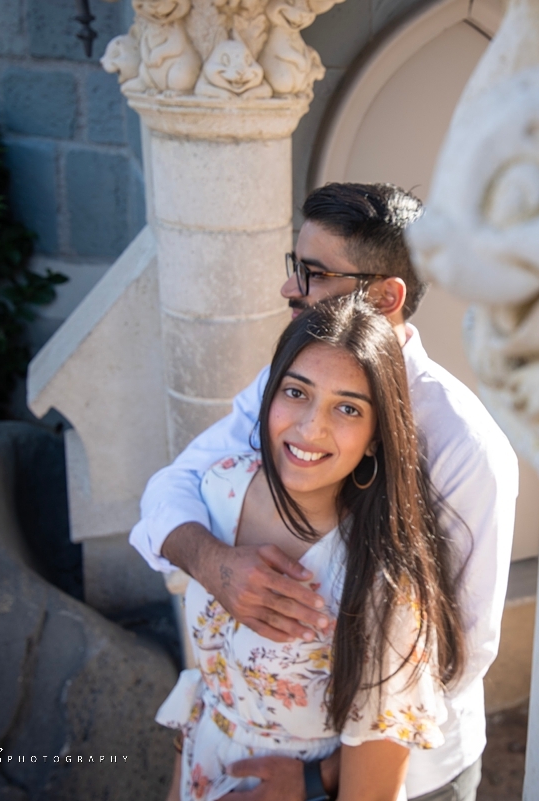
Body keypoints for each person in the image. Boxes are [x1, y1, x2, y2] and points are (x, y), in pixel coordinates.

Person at [132, 182, 518, 801]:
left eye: (313, 273)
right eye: (297, 267)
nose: (291, 288)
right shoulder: (288, 376)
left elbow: (459, 655)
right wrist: (215, 563)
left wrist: (319, 778)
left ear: (387, 294)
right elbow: (173, 485)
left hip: (409, 777)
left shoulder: (466, 446)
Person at [156, 293, 466, 801]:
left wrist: (309, 786)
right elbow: (206, 692)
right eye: (296, 393)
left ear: (374, 437)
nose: (310, 427)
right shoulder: (219, 489)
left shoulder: (382, 586)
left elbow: (371, 794)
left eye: (347, 408)